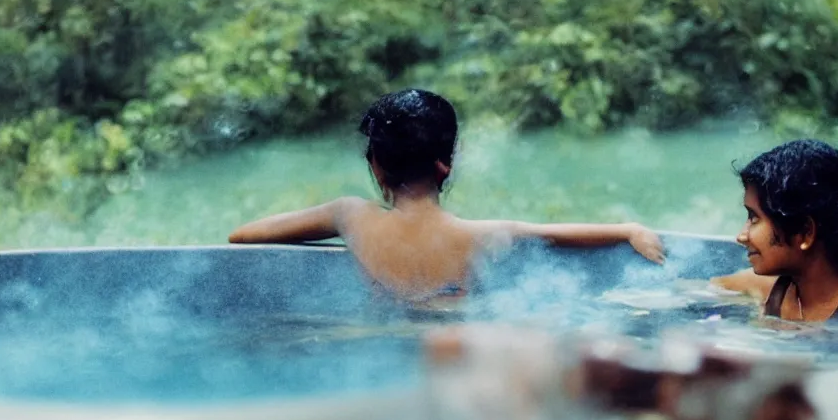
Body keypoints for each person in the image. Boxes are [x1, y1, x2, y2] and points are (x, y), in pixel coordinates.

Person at [229, 88, 665, 307]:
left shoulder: (351, 217)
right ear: (446, 164)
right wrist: (629, 229)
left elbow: (243, 237)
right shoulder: (481, 235)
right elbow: (555, 234)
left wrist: (353, 237)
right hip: (456, 349)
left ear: (376, 163)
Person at [711, 139, 838, 324]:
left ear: (805, 232)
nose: (741, 236)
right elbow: (697, 290)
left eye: (755, 218)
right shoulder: (768, 289)